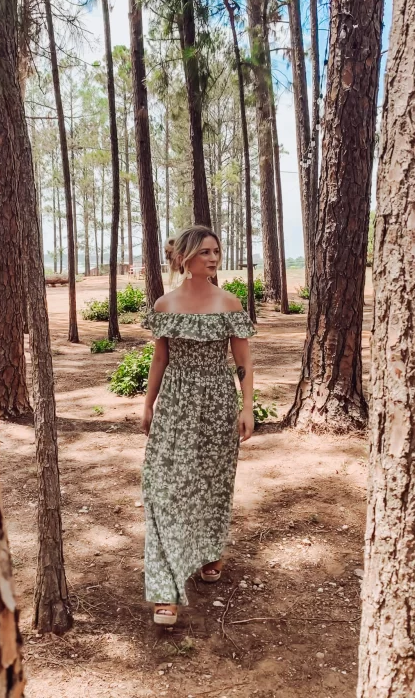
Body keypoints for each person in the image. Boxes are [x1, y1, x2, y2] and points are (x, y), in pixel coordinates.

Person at [141, 225, 256, 625]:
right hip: (175, 403)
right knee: (164, 488)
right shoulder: (165, 305)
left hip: (218, 402)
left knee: (212, 481)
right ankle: (166, 590)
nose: (213, 257)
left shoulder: (229, 303)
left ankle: (209, 551)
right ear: (184, 257)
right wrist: (148, 404)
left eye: (216, 251)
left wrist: (247, 407)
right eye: (205, 251)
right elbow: (160, 359)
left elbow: (243, 360)